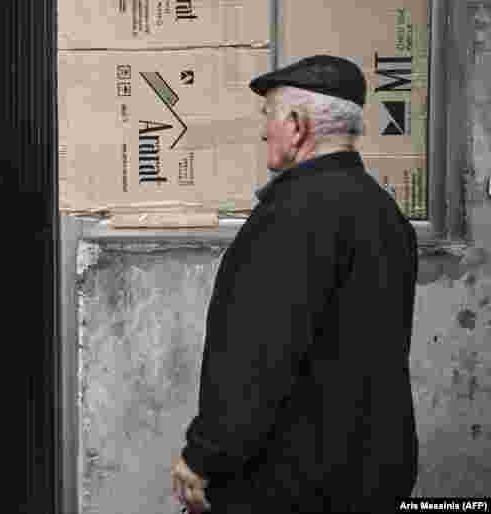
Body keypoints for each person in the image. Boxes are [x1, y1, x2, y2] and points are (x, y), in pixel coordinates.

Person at [171, 54, 419, 513]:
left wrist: (204, 454)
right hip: (377, 474)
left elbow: (258, 358)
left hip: (293, 483)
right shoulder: (385, 214)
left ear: (297, 125)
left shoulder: (292, 216)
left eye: (268, 117)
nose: (264, 131)